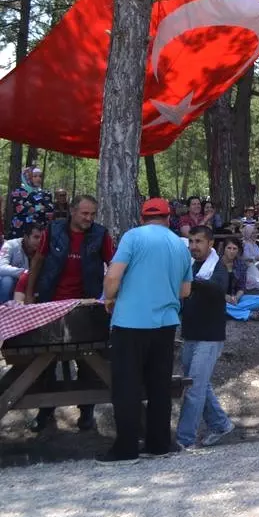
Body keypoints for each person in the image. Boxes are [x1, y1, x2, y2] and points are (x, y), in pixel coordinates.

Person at [97, 198, 192, 464]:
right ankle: (159, 443)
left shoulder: (133, 237)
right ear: (168, 217)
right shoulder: (180, 245)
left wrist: (108, 297)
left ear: (142, 217)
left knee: (127, 386)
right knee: (159, 385)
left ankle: (126, 448)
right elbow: (185, 290)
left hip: (131, 322)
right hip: (166, 323)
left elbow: (114, 276)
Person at [26, 194, 115, 432]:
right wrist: (28, 296)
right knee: (44, 359)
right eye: (85, 213)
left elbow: (114, 264)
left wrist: (111, 296)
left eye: (93, 214)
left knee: (88, 359)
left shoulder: (101, 234)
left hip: (85, 304)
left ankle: (87, 413)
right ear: (73, 211)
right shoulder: (53, 230)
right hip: (51, 302)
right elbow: (38, 262)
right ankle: (45, 411)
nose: (89, 218)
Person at [176, 226, 234, 449]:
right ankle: (220, 424)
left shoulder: (217, 268)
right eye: (191, 241)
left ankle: (184, 440)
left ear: (210, 244)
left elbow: (218, 288)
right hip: (190, 334)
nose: (194, 246)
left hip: (209, 337)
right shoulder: (188, 265)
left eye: (198, 241)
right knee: (199, 384)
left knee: (193, 389)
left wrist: (191, 281)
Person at [223, 239, 259, 321]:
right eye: (229, 248)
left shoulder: (241, 264)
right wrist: (225, 296)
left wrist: (236, 297)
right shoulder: (216, 263)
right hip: (219, 297)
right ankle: (248, 314)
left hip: (234, 297)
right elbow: (213, 287)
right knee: (214, 303)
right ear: (224, 249)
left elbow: (241, 287)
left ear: (238, 251)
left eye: (234, 249)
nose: (231, 251)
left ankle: (229, 310)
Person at [0, 224, 44, 303]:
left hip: (31, 284)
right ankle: (3, 310)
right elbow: (1, 267)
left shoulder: (43, 248)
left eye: (42, 238)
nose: (40, 240)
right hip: (13, 282)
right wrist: (24, 272)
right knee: (7, 280)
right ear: (26, 237)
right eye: (36, 237)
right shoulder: (11, 245)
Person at [7, 166, 53, 238]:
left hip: (38, 233)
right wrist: (39, 208)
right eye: (35, 176)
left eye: (40, 176)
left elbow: (49, 209)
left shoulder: (46, 193)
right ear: (27, 177)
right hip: (19, 232)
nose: (38, 179)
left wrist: (32, 208)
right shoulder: (17, 192)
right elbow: (20, 209)